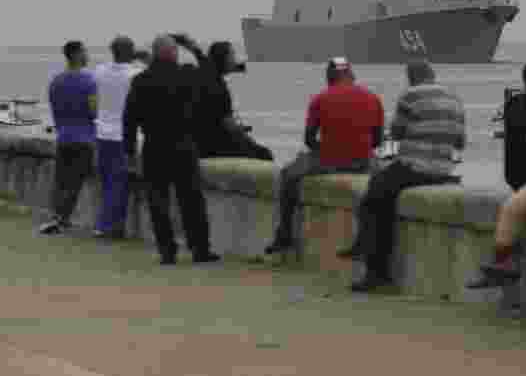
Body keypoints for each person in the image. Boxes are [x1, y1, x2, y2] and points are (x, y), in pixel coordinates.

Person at [339, 60, 465, 292]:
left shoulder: (410, 95)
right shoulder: (454, 97)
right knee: (385, 190)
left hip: (415, 167)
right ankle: (364, 248)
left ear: (410, 77)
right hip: (443, 169)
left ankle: (373, 268)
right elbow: (460, 142)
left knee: (374, 197)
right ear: (432, 75)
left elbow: (396, 132)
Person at [264, 57, 384, 255]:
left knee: (288, 174)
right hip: (364, 161)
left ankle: (284, 234)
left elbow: (309, 139)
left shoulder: (320, 99)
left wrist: (328, 149)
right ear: (351, 75)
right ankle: (366, 239)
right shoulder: (373, 99)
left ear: (330, 76)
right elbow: (378, 140)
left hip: (329, 160)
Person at [123, 35, 220, 265]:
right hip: (183, 145)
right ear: (174, 52)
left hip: (154, 146)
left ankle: (167, 251)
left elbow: (129, 120)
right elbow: (210, 75)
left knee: (158, 202)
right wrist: (195, 47)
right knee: (192, 201)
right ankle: (200, 249)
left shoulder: (140, 81)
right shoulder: (186, 75)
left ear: (155, 54)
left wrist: (128, 152)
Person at [466, 59, 526, 289]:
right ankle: (503, 262)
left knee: (516, 208)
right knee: (519, 207)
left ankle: (502, 261)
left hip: (520, 179)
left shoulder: (514, 105)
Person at [171, 34, 274, 162]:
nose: (235, 60)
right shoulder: (219, 88)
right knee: (265, 154)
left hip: (195, 139)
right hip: (214, 145)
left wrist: (182, 41)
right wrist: (243, 129)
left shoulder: (205, 68)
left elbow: (195, 50)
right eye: (232, 56)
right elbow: (229, 126)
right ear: (223, 60)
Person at [39, 41, 97, 235]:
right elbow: (94, 110)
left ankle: (56, 217)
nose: (87, 55)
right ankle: (61, 220)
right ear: (77, 55)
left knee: (61, 182)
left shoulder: (56, 81)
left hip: (63, 137)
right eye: (85, 51)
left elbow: (56, 110)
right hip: (84, 139)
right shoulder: (89, 81)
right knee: (74, 183)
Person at [91, 36, 146, 239]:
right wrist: (146, 58)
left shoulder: (99, 71)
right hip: (123, 135)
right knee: (119, 182)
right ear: (131, 51)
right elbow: (158, 76)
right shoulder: (136, 74)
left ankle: (113, 225)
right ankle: (106, 225)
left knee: (107, 182)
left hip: (102, 133)